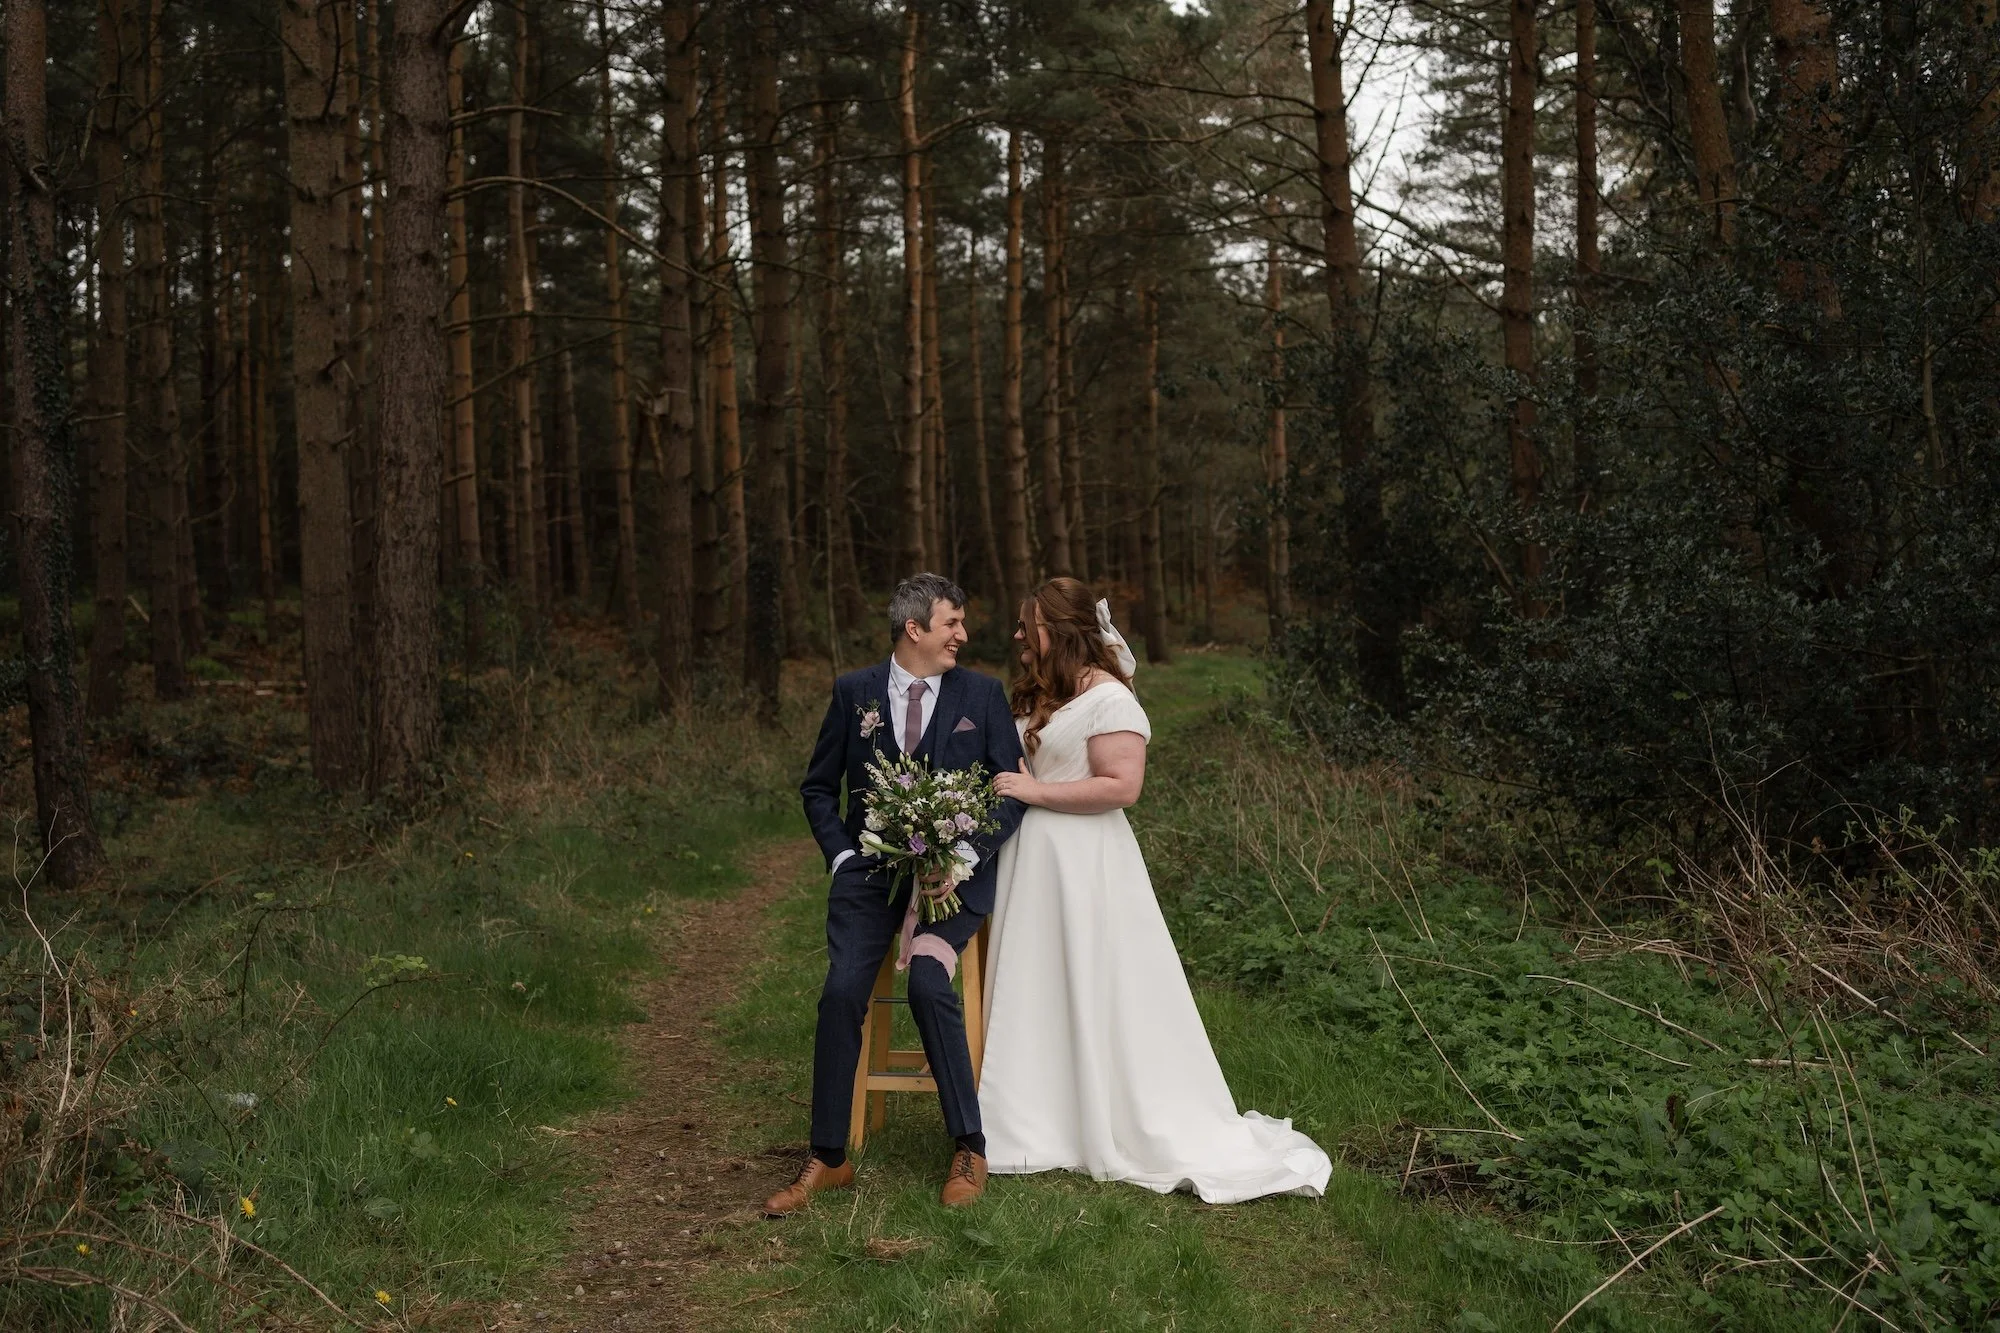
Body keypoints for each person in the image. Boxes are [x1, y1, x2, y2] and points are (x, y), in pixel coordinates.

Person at [980, 577, 1333, 1203]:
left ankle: (1103, 1116)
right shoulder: (1046, 692)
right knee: (1038, 984)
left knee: (1095, 984)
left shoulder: (1109, 699)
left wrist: (1034, 792)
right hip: (1034, 866)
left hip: (1085, 865)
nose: (1016, 636)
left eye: (1026, 624)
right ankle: (1034, 1116)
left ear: (1058, 630)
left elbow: (1121, 786)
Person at [768, 573, 1026, 1216]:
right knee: (841, 992)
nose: (963, 636)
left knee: (929, 986)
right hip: (868, 878)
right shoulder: (854, 692)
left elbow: (1010, 790)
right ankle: (828, 1158)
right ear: (914, 629)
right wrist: (843, 856)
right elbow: (819, 789)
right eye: (952, 624)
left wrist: (965, 856)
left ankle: (969, 1145)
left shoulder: (982, 695)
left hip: (952, 879)